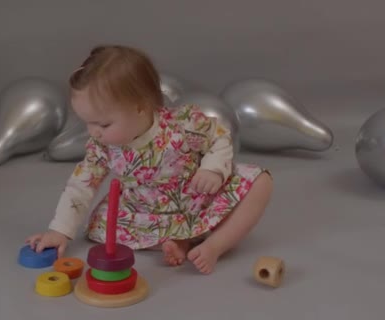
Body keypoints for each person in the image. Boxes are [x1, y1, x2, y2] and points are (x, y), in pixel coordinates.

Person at [26, 45, 273, 274]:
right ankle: (179, 240)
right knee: (111, 228)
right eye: (87, 122)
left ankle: (216, 245)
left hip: (196, 198)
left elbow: (220, 136)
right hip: (144, 212)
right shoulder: (103, 147)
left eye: (102, 123)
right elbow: (80, 187)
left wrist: (213, 170)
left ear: (140, 107)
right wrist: (59, 231)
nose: (93, 132)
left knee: (261, 182)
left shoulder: (181, 125)